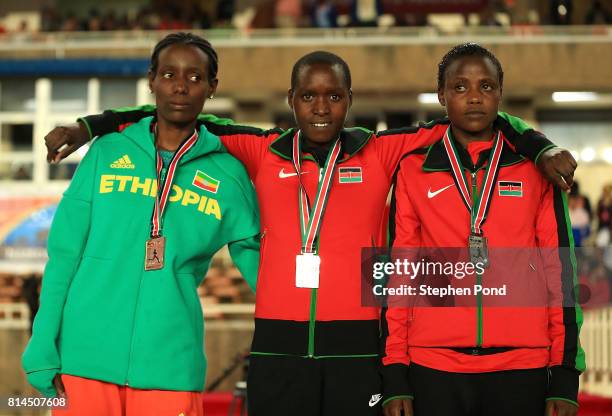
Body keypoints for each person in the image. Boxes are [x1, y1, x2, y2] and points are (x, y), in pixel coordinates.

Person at [44, 48, 577, 415]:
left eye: (334, 97)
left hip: (357, 348)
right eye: (308, 97)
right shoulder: (260, 149)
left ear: (350, 99)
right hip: (278, 344)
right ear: (291, 99)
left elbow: (483, 116)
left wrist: (540, 147)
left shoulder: (382, 150)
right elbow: (177, 110)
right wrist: (92, 125)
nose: (321, 108)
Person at [22, 33, 260, 416]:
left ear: (212, 87)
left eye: (196, 77)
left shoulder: (228, 178)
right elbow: (65, 255)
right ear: (151, 80)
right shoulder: (107, 152)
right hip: (83, 361)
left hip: (169, 368)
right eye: (168, 74)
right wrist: (43, 339)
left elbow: (263, 274)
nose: (181, 86)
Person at [381, 43, 584, 416]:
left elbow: (561, 271)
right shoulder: (412, 169)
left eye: (486, 87)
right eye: (460, 87)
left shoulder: (535, 170)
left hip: (523, 365)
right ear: (441, 95)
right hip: (433, 365)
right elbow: (400, 274)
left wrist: (566, 372)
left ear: (500, 94)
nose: (474, 98)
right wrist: (395, 370)